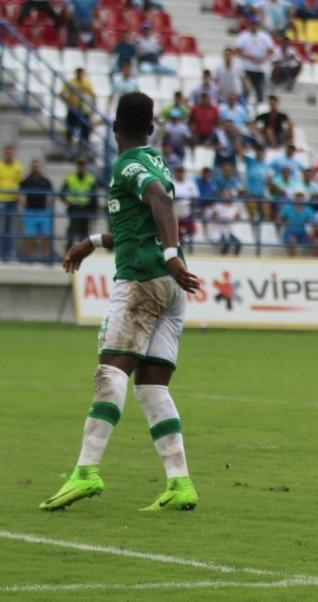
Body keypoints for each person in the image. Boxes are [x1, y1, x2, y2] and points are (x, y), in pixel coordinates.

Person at [45, 92, 201, 512]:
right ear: (151, 128)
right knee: (151, 387)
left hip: (143, 280)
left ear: (115, 128)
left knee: (109, 374)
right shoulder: (158, 162)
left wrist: (168, 255)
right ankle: (180, 482)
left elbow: (161, 202)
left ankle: (86, 472)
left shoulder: (128, 164)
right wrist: (92, 242)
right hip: (171, 289)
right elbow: (143, 221)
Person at [61, 158, 98, 253]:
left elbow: (95, 196)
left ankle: (83, 253)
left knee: (84, 233)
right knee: (72, 232)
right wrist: (67, 201)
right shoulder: (70, 178)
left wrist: (94, 211)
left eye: (83, 165)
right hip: (74, 208)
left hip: (86, 208)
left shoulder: (91, 179)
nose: (81, 167)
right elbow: (62, 193)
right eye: (79, 165)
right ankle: (68, 252)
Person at [19, 159, 53, 262]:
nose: (35, 168)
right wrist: (22, 203)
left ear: (40, 167)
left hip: (43, 211)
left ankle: (44, 258)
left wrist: (49, 204)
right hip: (30, 211)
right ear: (31, 167)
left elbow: (51, 195)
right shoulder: (26, 181)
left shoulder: (46, 181)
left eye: (37, 166)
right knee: (30, 236)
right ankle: (30, 258)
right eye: (33, 166)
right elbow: (20, 194)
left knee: (45, 236)